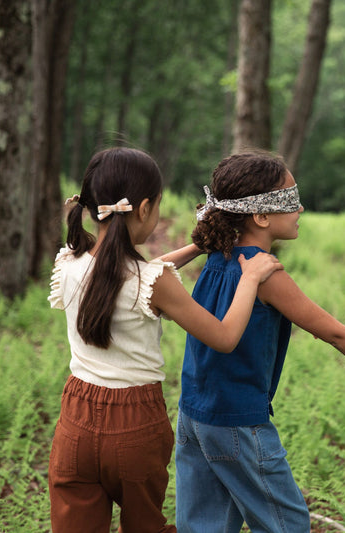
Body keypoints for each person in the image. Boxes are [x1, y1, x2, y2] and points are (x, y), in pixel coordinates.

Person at [175, 151, 345, 532]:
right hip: (239, 423)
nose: (301, 206)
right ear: (261, 216)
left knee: (204, 526)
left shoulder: (217, 256)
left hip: (193, 415)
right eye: (290, 199)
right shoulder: (265, 274)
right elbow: (336, 333)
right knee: (286, 524)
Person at [47, 147, 283, 533]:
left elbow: (130, 271)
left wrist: (195, 248)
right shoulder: (154, 282)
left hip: (76, 420)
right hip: (135, 425)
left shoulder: (71, 261)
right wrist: (251, 278)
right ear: (143, 209)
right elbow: (224, 337)